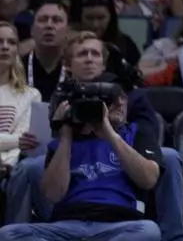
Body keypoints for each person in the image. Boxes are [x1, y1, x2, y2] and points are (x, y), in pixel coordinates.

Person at [0, 80, 161, 241]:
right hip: (67, 225)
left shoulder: (136, 133)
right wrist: (65, 136)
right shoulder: (62, 143)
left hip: (119, 223)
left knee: (149, 230)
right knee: (8, 234)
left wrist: (109, 133)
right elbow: (52, 195)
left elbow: (148, 179)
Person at [0, 21, 35, 168]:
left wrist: (6, 164)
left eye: (11, 42)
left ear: (17, 50)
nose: (5, 47)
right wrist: (16, 140)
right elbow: (20, 140)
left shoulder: (31, 95)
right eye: (0, 41)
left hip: (10, 170)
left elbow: (25, 141)